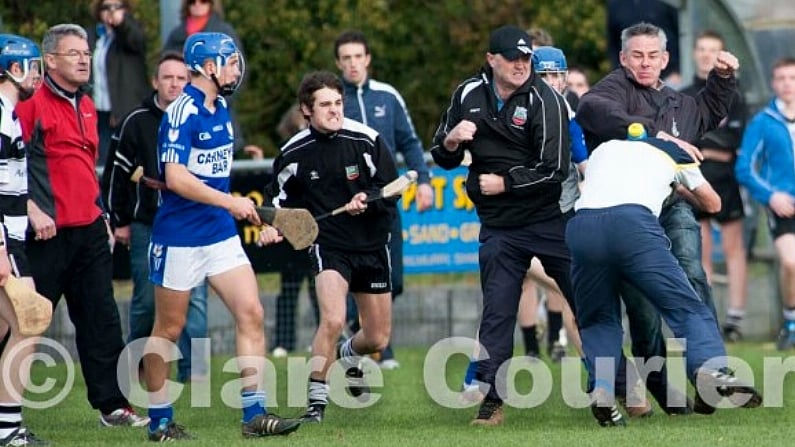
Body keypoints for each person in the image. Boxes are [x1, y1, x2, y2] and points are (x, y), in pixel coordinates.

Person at [576, 21, 740, 415]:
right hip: (627, 211)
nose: (645, 63)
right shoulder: (612, 88)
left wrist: (722, 77)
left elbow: (710, 112)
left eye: (653, 56)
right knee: (643, 304)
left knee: (693, 277)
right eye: (637, 55)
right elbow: (591, 109)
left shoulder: (680, 101)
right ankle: (660, 384)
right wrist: (651, 133)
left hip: (672, 203)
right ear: (623, 58)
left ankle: (707, 380)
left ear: (666, 59)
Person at [142, 32, 299, 440]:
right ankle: (159, 418)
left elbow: (215, 174)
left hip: (219, 234)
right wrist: (230, 202)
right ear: (208, 66)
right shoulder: (181, 112)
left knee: (252, 313)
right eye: (229, 62)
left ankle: (254, 414)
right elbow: (175, 177)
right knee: (169, 329)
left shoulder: (222, 107)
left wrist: (236, 210)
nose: (235, 69)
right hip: (178, 236)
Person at [568, 131, 762, 426]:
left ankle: (603, 389)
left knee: (598, 321)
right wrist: (678, 188)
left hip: (582, 227)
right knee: (687, 308)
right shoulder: (675, 153)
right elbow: (713, 204)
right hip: (633, 226)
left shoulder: (605, 148)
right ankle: (711, 370)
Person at [431, 25, 572, 425]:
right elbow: (440, 152)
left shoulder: (547, 101)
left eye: (527, 58)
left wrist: (505, 183)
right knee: (497, 313)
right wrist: (453, 142)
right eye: (513, 58)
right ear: (492, 59)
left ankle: (618, 384)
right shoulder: (467, 94)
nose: (521, 65)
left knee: (585, 300)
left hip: (547, 221)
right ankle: (492, 401)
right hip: (499, 227)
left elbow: (555, 170)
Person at [15, 23, 149, 428]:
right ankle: (7, 413)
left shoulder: (88, 104)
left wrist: (102, 215)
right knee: (24, 323)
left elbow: (85, 169)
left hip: (88, 230)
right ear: (50, 60)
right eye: (73, 53)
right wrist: (31, 210)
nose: (84, 58)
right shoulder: (29, 104)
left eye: (86, 52)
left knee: (102, 319)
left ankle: (113, 406)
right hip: (44, 234)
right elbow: (8, 167)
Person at [261, 70, 399, 424]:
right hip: (329, 245)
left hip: (371, 244)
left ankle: (346, 352)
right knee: (334, 318)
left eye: (338, 103)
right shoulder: (294, 153)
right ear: (306, 110)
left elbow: (392, 187)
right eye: (325, 105)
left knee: (377, 338)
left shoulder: (367, 140)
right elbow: (275, 201)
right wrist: (270, 226)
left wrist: (367, 198)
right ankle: (316, 405)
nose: (334, 110)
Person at [101, 52, 209, 383]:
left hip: (193, 225)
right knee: (147, 302)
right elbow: (115, 176)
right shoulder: (135, 121)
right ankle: (137, 370)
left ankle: (196, 375)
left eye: (181, 78)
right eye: (168, 78)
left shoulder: (200, 116)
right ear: (155, 82)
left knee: (197, 304)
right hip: (148, 225)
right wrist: (118, 219)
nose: (175, 84)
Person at [334, 30, 433, 369]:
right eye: (345, 58)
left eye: (357, 56)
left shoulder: (387, 97)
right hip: (348, 209)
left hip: (386, 204)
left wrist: (424, 181)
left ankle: (365, 339)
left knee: (395, 279)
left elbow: (410, 142)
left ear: (368, 59)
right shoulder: (332, 100)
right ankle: (378, 348)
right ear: (338, 63)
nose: (352, 64)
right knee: (352, 280)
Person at [680, 30, 748, 342]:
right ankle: (708, 317)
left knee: (734, 250)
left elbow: (733, 141)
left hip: (727, 178)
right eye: (703, 49)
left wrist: (708, 146)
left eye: (714, 50)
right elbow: (685, 139)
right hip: (694, 177)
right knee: (700, 250)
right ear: (695, 53)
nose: (708, 55)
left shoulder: (735, 92)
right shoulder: (685, 94)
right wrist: (706, 147)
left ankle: (736, 319)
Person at [0, 33, 47, 446]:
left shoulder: (9, 113)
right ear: (15, 70)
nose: (36, 75)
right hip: (4, 242)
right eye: (32, 67)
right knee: (30, 322)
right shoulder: (0, 114)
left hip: (10, 237)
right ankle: (9, 429)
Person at [735, 57, 795, 351]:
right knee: (791, 262)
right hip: (783, 206)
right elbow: (744, 167)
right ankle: (791, 321)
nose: (787, 84)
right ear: (774, 83)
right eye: (782, 78)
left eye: (792, 78)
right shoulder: (763, 122)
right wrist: (771, 196)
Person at [270, 103, 319, 357]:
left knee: (319, 288)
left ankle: (321, 338)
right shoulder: (287, 153)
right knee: (288, 288)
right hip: (291, 230)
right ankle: (283, 342)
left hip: (317, 229)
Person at [88, 0, 148, 167]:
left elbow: (135, 41)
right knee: (101, 165)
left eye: (117, 6)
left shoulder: (130, 32)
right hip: (98, 113)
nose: (111, 11)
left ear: (126, 9)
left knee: (128, 166)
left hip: (124, 112)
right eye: (106, 7)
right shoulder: (94, 37)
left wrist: (121, 24)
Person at [607, 0, 681, 85]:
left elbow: (682, 33)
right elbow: (613, 43)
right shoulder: (615, 4)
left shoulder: (668, 2)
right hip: (630, 79)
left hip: (669, 77)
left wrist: (678, 70)